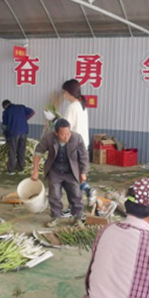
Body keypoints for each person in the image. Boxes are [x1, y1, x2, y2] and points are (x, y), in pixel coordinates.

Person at [31, 118, 89, 228]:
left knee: (76, 195)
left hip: (71, 171)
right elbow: (38, 153)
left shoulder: (77, 138)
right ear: (56, 133)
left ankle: (77, 218)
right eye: (63, 135)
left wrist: (83, 173)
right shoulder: (48, 137)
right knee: (54, 195)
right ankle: (56, 217)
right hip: (55, 171)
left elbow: (84, 157)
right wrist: (35, 171)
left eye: (68, 133)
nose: (67, 137)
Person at [62, 79, 97, 207]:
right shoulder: (82, 106)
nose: (64, 95)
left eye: (64, 92)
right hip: (83, 145)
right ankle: (87, 191)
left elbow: (65, 129)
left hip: (73, 146)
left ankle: (74, 205)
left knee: (70, 177)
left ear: (68, 92)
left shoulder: (72, 107)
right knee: (77, 174)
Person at [2, 100, 35, 174]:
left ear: (5, 106)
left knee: (13, 151)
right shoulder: (21, 107)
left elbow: (4, 125)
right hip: (24, 132)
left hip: (14, 133)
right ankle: (20, 168)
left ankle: (11, 170)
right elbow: (32, 112)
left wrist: (5, 133)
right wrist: (24, 119)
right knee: (21, 150)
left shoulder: (6, 111)